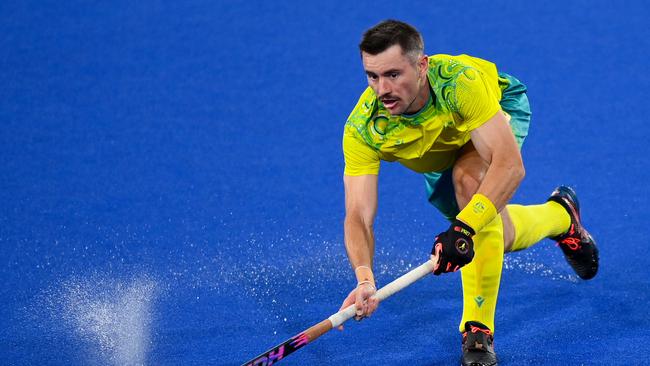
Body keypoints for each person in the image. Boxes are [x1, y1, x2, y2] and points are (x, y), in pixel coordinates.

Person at [336, 19, 599, 366]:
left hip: (495, 118)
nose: (382, 88)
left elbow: (509, 166)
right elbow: (358, 215)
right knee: (495, 235)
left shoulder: (459, 84)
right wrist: (365, 277)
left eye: (393, 75)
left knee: (470, 189)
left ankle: (477, 330)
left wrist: (462, 228)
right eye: (372, 76)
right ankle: (561, 217)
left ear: (421, 65)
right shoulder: (364, 129)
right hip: (442, 156)